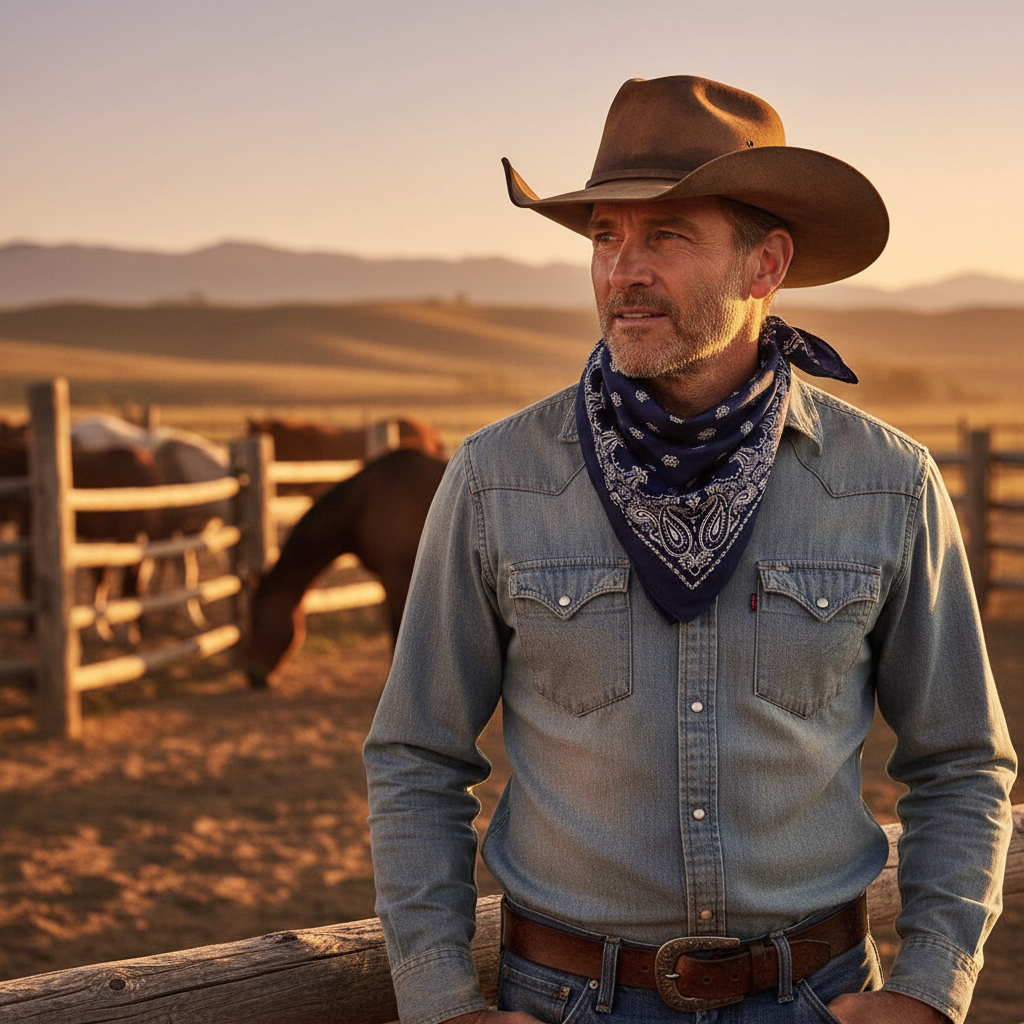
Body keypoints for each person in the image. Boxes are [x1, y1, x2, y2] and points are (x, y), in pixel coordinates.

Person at [363, 75, 1015, 1024]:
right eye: (605, 237)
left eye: (665, 235)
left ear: (765, 265)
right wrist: (438, 1000)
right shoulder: (498, 481)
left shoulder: (887, 485)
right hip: (566, 999)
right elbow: (417, 754)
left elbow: (962, 761)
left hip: (815, 996)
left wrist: (930, 986)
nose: (623, 270)